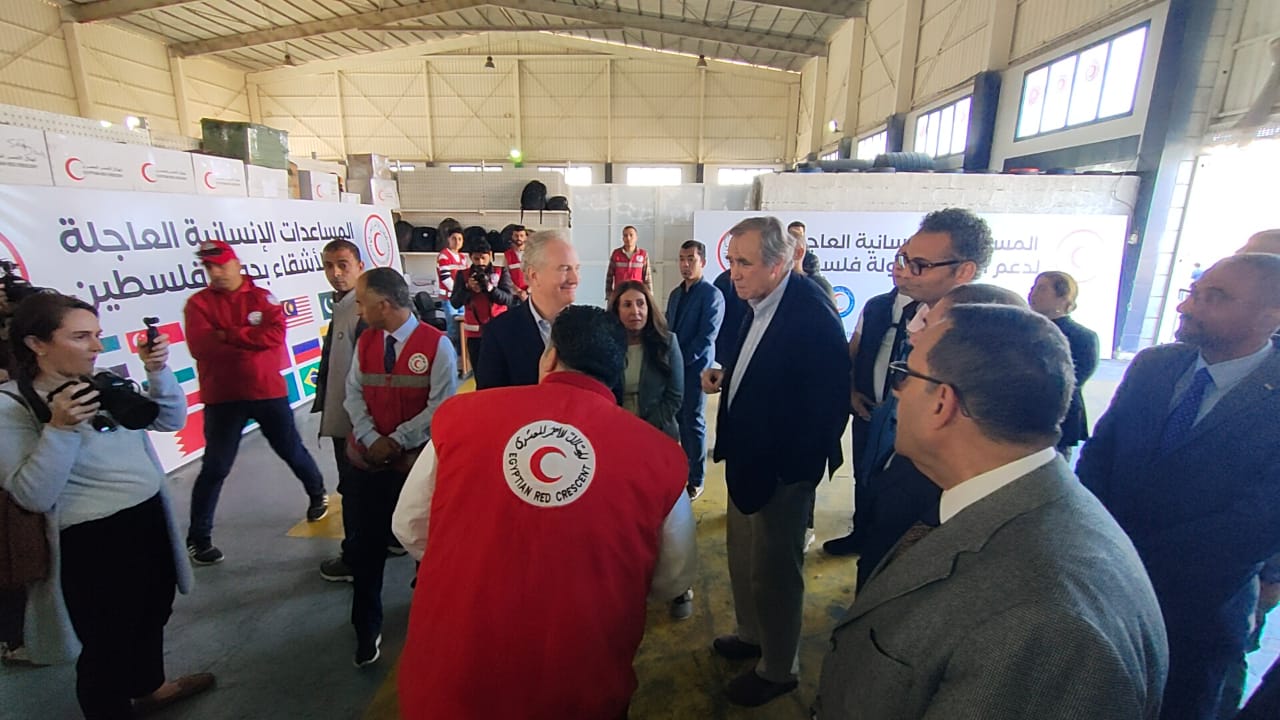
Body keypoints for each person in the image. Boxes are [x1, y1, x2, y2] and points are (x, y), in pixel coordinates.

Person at [815, 304, 1168, 719]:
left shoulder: (1047, 623)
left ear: (942, 403)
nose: (896, 391)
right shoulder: (1010, 502)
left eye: (905, 374)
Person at [391, 305, 695, 719]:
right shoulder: (659, 456)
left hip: (449, 684)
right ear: (618, 370)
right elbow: (674, 576)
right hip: (580, 688)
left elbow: (409, 526)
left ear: (549, 358)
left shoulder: (460, 419)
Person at [1078, 253, 1280, 720]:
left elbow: (1257, 523)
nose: (1187, 306)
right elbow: (1100, 455)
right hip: (1100, 588)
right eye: (1193, 293)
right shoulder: (1154, 366)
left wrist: (1132, 558)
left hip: (1196, 613)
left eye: (1215, 298)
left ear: (1270, 316)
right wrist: (1098, 545)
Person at [0, 293, 216, 718]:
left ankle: (150, 688)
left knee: (153, 610)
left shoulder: (100, 382)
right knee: (107, 643)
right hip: (91, 541)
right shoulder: (13, 406)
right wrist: (59, 429)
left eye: (97, 334)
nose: (97, 346)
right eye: (81, 337)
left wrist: (157, 372)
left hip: (147, 518)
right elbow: (32, 494)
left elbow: (170, 420)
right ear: (36, 344)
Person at [702, 216, 850, 707]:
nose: (734, 273)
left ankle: (779, 668)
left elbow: (829, 405)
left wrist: (794, 474)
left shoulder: (810, 313)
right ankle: (752, 635)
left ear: (780, 262)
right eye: (732, 261)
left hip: (781, 471)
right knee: (745, 558)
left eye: (744, 263)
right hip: (748, 460)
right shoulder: (759, 300)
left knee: (776, 572)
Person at [825, 207, 994, 557]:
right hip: (883, 438)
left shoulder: (982, 340)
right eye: (903, 259)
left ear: (964, 271)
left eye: (920, 264)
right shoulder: (904, 313)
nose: (904, 270)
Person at [848, 283, 1026, 591]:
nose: (913, 330)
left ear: (943, 401)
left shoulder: (978, 499)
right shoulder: (923, 456)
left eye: (928, 321)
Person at [183, 239, 328, 565]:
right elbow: (201, 346)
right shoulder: (198, 304)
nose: (216, 272)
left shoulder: (263, 298)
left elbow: (274, 336)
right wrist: (249, 337)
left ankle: (317, 492)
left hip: (267, 392)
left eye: (221, 265)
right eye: (209, 267)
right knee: (215, 467)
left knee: (291, 451)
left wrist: (227, 334)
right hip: (222, 397)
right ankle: (199, 538)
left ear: (236, 264)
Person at [343, 267, 457, 667]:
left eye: (362, 303)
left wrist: (397, 441)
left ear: (384, 305)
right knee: (365, 550)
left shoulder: (438, 346)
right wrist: (371, 439)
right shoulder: (365, 342)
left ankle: (432, 622)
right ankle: (366, 628)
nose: (358, 310)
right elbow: (353, 395)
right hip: (368, 466)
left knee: (426, 547)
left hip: (415, 468)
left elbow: (441, 406)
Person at [310, 240, 367, 583]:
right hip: (348, 417)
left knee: (354, 490)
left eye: (343, 264)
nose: (336, 273)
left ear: (360, 265)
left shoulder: (362, 310)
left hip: (356, 421)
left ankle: (355, 557)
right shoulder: (344, 304)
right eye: (329, 266)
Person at [475, 229, 580, 389]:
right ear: (533, 275)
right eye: (565, 269)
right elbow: (489, 398)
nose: (575, 279)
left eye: (577, 268)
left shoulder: (591, 328)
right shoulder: (499, 334)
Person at [666, 240, 724, 499]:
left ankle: (696, 479)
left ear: (703, 262)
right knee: (678, 420)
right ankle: (681, 471)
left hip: (697, 368)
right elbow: (668, 330)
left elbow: (706, 337)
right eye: (682, 259)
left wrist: (681, 359)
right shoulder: (675, 295)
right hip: (674, 366)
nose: (685, 264)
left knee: (694, 421)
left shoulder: (712, 295)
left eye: (691, 259)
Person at [1029, 271, 1100, 460]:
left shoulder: (1083, 337)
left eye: (1042, 289)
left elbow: (1077, 378)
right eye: (1033, 287)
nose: (1033, 293)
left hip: (1057, 418)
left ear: (1063, 297)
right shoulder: (1022, 329)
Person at [450, 237, 514, 372]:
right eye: (476, 258)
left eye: (483, 258)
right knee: (479, 371)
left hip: (499, 331)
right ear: (470, 257)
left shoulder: (501, 272)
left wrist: (490, 289)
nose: (480, 262)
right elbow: (455, 303)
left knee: (501, 371)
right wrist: (467, 289)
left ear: (490, 255)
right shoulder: (463, 275)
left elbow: (508, 300)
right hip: (475, 335)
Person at [436, 225, 466, 361]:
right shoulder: (444, 256)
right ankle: (452, 360)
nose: (457, 241)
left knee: (462, 330)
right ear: (448, 239)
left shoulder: (462, 257)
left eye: (460, 239)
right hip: (449, 299)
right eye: (454, 238)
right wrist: (459, 291)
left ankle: (462, 360)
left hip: (461, 299)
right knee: (453, 331)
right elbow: (445, 278)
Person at [605, 225, 652, 301]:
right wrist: (609, 296)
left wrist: (649, 297)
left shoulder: (643, 254)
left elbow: (647, 278)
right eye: (625, 235)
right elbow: (609, 277)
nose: (628, 238)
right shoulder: (616, 254)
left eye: (631, 235)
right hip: (619, 295)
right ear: (622, 238)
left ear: (636, 237)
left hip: (637, 295)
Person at [503, 225, 530, 304]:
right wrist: (518, 291)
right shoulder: (507, 255)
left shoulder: (532, 253)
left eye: (521, 236)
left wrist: (528, 291)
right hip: (513, 295)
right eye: (516, 235)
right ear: (512, 237)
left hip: (531, 294)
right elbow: (506, 276)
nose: (519, 238)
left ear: (526, 237)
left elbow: (537, 274)